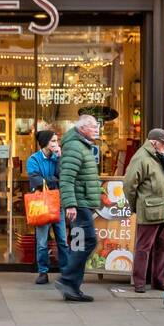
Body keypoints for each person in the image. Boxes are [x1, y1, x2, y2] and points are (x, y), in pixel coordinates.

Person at [122, 128, 164, 293]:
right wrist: (136, 205)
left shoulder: (159, 156)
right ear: (154, 143)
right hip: (150, 209)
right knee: (144, 248)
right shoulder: (141, 157)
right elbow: (129, 185)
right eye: (163, 143)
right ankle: (139, 282)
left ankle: (159, 280)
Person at [57, 113, 103, 302]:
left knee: (80, 244)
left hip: (82, 202)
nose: (97, 129)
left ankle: (72, 287)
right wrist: (70, 204)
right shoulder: (76, 146)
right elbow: (67, 178)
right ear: (82, 128)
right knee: (87, 241)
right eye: (93, 126)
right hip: (79, 204)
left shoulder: (82, 145)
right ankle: (67, 280)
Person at [25, 127, 67, 285]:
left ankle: (65, 271)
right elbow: (35, 180)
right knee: (42, 241)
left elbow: (63, 176)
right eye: (53, 141)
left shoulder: (58, 158)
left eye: (57, 141)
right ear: (44, 144)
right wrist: (52, 180)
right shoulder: (33, 160)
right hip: (41, 204)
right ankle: (43, 272)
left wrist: (60, 159)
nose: (57, 144)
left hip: (58, 204)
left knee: (62, 239)